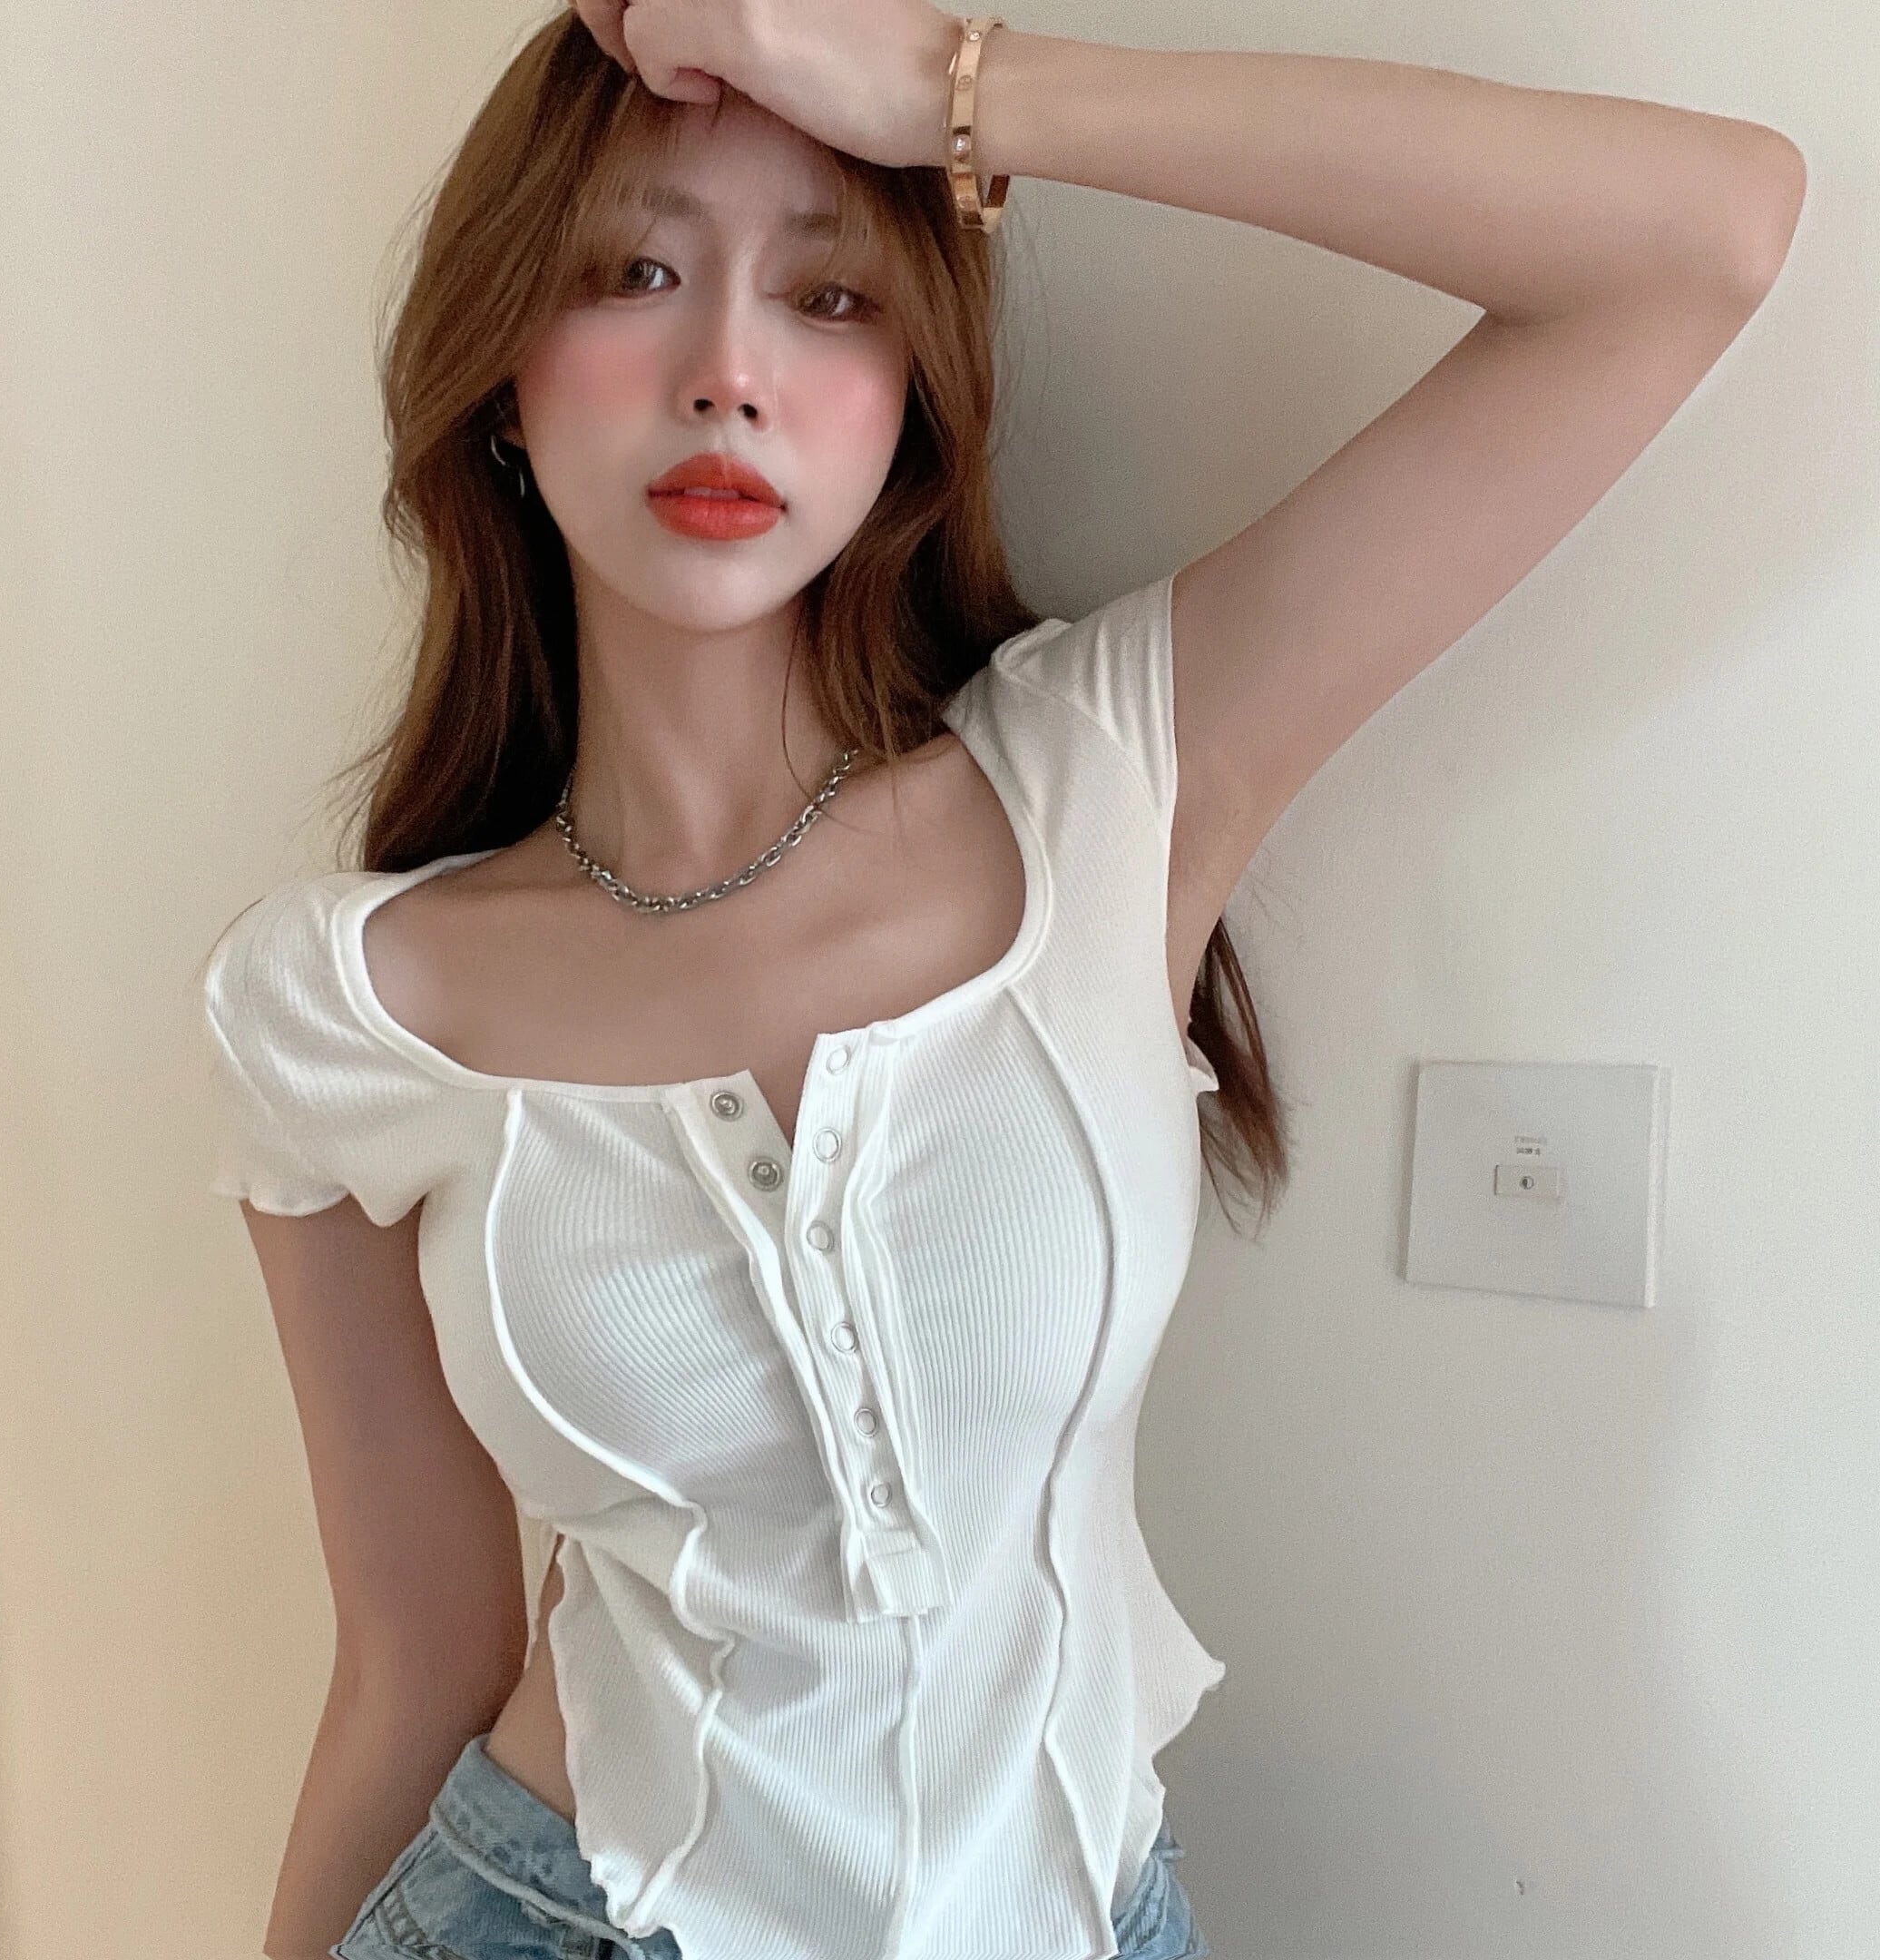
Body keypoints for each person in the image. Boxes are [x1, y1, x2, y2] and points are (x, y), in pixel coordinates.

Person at [197, 4, 1803, 1957]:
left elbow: (1699, 236)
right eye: (631, 274)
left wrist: (951, 92)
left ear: (917, 395)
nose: (727, 376)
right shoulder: (338, 1008)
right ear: (504, 385)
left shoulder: (1107, 783)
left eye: (832, 296)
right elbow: (411, 1658)